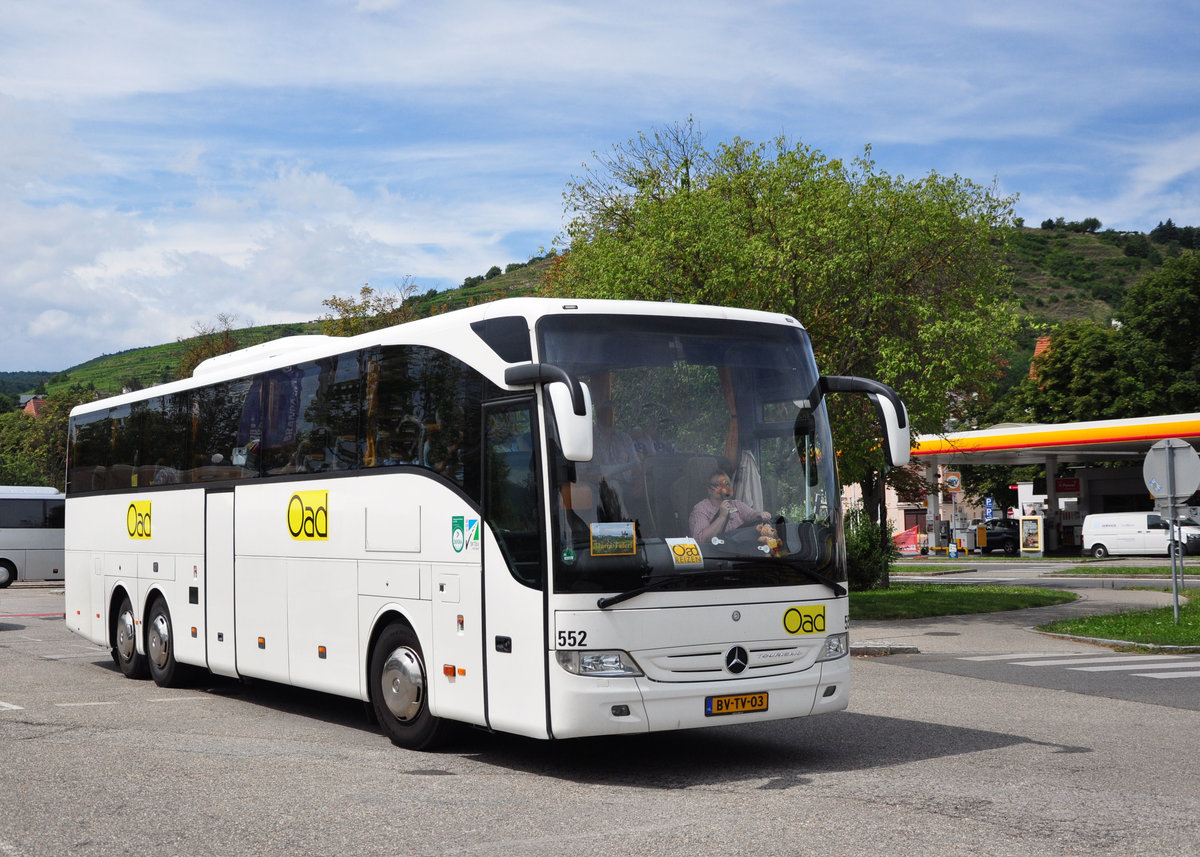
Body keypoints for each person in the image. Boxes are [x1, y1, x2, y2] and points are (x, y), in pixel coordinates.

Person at [690, 470, 771, 543]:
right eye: (718, 485)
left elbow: (751, 515)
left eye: (726, 484)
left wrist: (760, 514)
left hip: (739, 552)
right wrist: (722, 516)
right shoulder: (701, 508)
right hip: (715, 555)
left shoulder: (736, 504)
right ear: (709, 489)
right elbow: (700, 539)